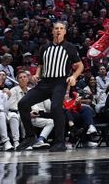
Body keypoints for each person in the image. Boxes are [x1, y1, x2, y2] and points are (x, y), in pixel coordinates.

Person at [17, 21, 84, 152]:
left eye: (61, 28)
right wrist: (36, 74)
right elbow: (41, 65)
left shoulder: (69, 47)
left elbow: (80, 65)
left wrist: (73, 77)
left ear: (65, 31)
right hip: (44, 82)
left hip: (60, 82)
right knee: (23, 103)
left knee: (55, 107)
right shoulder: (44, 47)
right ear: (52, 31)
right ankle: (30, 136)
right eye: (56, 28)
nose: (58, 30)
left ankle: (60, 142)